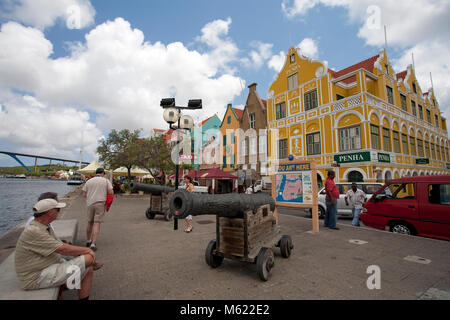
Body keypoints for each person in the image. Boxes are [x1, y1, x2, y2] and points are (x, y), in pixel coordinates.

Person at [15, 198, 102, 300]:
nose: (59, 212)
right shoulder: (34, 231)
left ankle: (71, 290)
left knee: (88, 269)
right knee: (88, 259)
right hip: (37, 277)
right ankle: (64, 286)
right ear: (49, 213)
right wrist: (87, 250)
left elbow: (60, 245)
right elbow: (62, 249)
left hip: (47, 268)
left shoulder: (43, 226)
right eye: (58, 210)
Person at [82, 167, 113, 251]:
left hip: (90, 203)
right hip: (100, 203)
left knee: (89, 222)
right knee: (96, 223)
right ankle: (93, 243)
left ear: (96, 173)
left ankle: (88, 240)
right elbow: (111, 192)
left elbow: (84, 194)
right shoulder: (106, 181)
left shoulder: (89, 181)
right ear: (102, 173)